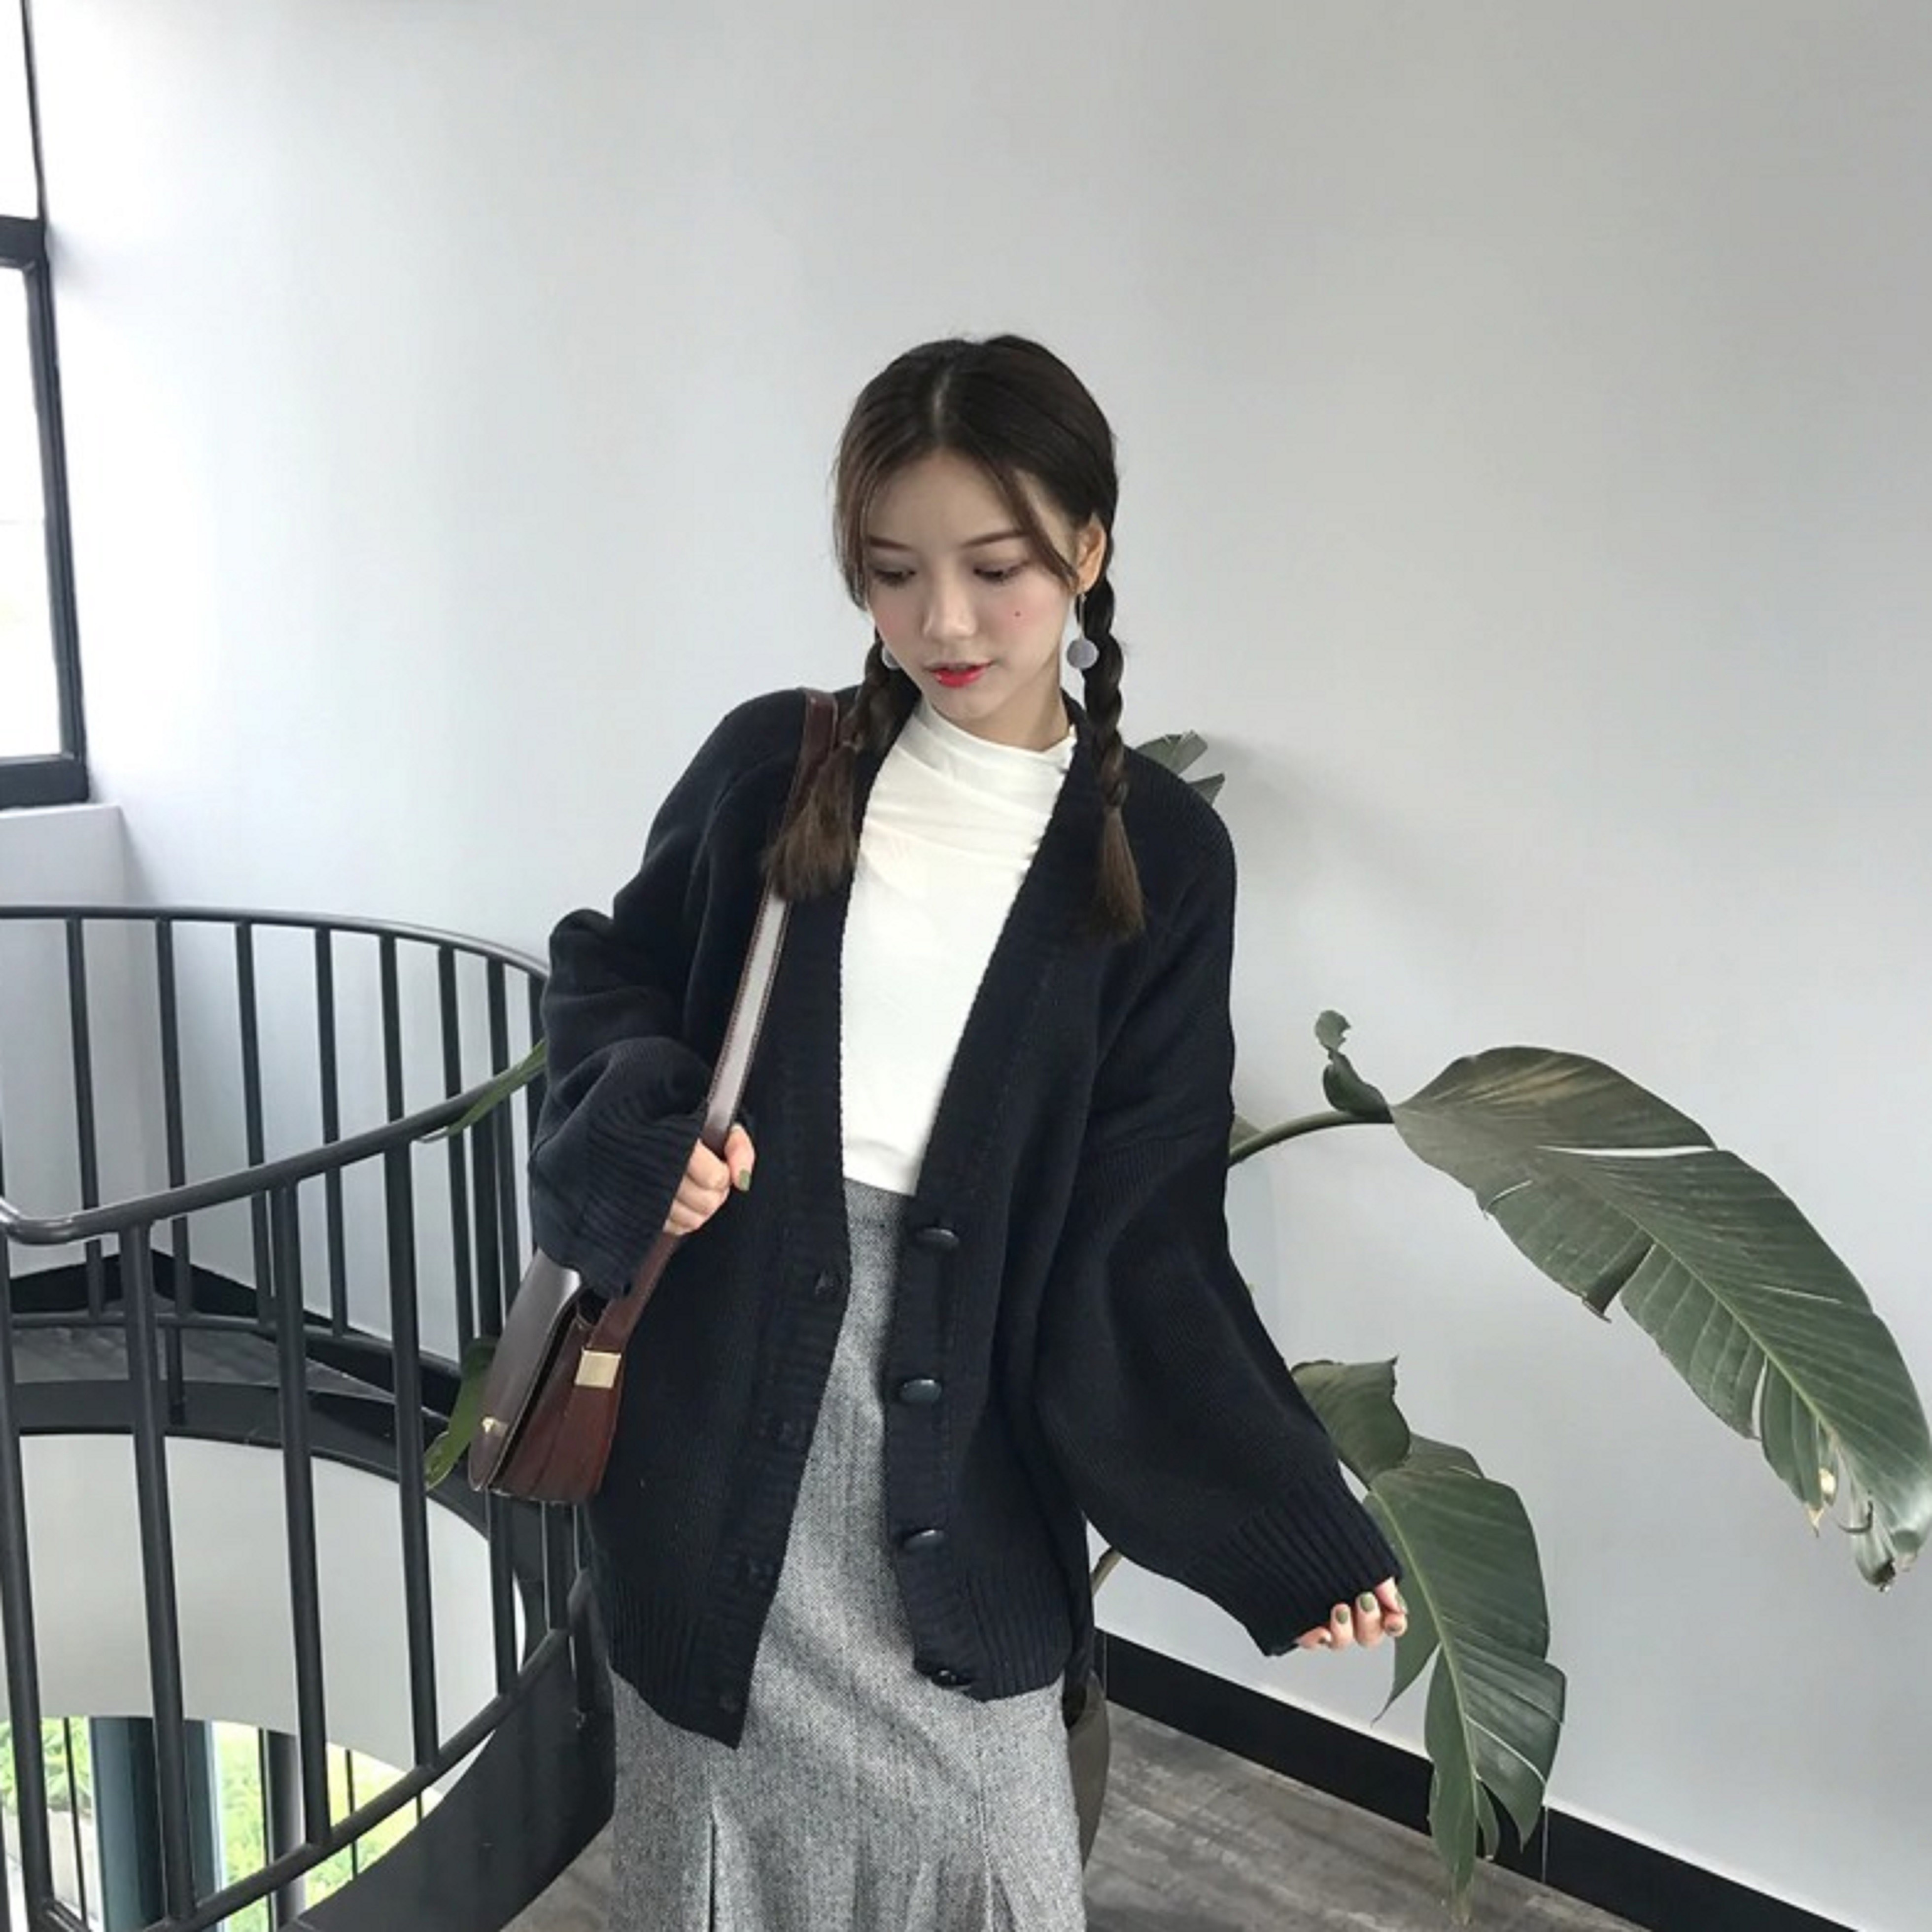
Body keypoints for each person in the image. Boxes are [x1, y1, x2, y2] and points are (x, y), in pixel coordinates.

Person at [529, 333, 1407, 1932]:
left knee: (997, 1871)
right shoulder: (775, 765)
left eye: (996, 570)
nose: (943, 622)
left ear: (1089, 548)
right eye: (893, 572)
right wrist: (648, 1125)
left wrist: (1279, 1516)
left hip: (958, 1489)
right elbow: (610, 975)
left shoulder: (1162, 858)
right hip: (713, 1463)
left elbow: (1141, 1232)